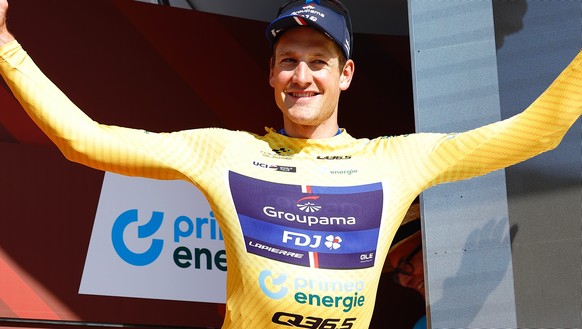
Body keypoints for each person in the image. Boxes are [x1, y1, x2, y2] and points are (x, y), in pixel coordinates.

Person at [0, 0, 580, 328]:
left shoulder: (398, 159)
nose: (302, 76)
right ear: (273, 74)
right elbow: (85, 141)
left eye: (319, 61)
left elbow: (540, 130)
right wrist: (5, 46)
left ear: (345, 74)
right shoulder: (224, 151)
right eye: (288, 61)